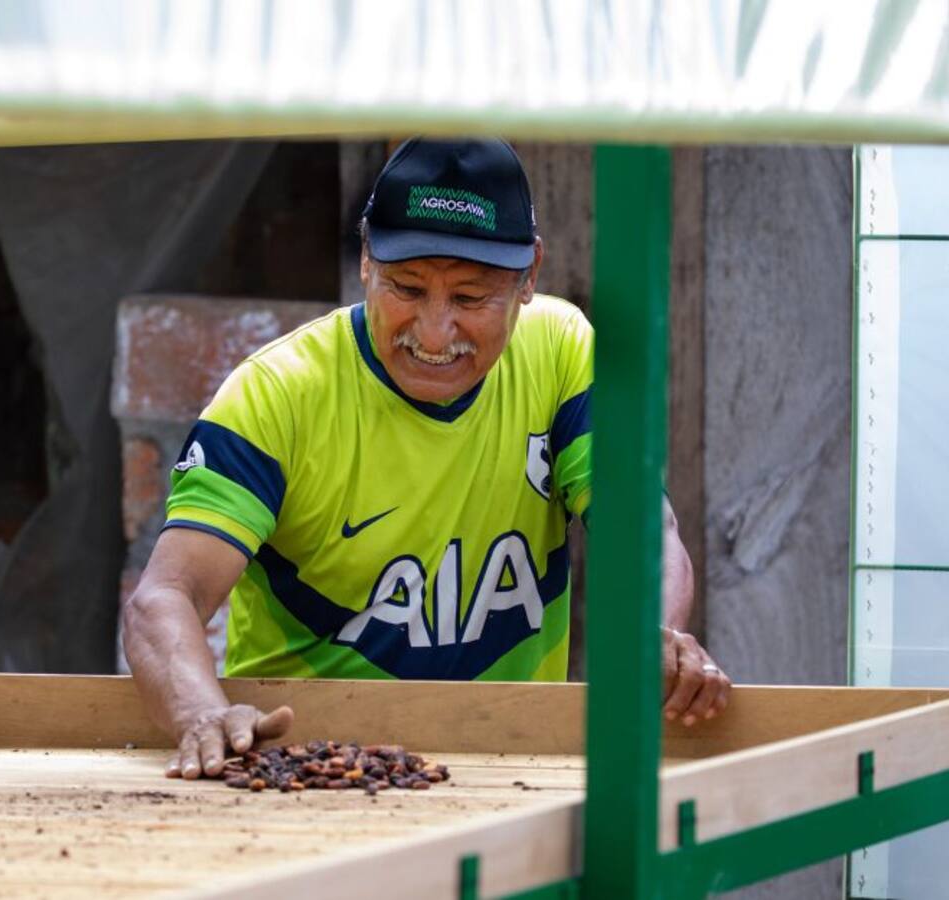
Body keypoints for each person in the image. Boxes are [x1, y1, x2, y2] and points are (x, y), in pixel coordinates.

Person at [123, 138, 731, 779]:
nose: (434, 332)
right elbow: (166, 595)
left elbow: (642, 531)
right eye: (407, 288)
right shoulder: (275, 395)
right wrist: (200, 713)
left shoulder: (563, 354)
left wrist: (652, 635)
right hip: (306, 775)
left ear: (530, 277)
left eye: (471, 299)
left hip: (511, 765)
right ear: (365, 260)